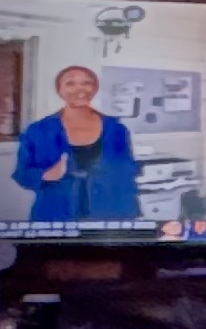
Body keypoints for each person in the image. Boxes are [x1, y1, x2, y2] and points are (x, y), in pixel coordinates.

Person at [15, 66, 140, 222]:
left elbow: (127, 168)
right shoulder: (38, 130)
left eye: (87, 83)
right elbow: (22, 173)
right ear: (59, 90)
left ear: (95, 88)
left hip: (110, 212)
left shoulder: (116, 129)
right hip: (57, 213)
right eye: (70, 83)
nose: (80, 89)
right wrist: (46, 175)